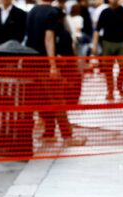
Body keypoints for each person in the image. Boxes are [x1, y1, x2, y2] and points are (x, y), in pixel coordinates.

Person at [25, 0, 85, 148]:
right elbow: (49, 38)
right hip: (45, 64)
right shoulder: (51, 12)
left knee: (43, 101)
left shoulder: (32, 11)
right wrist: (52, 64)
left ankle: (49, 132)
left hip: (32, 63)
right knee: (57, 101)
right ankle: (67, 137)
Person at [91, 0, 123, 100]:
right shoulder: (105, 12)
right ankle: (110, 90)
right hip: (107, 43)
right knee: (107, 68)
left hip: (122, 43)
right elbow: (97, 30)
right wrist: (94, 45)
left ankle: (119, 84)